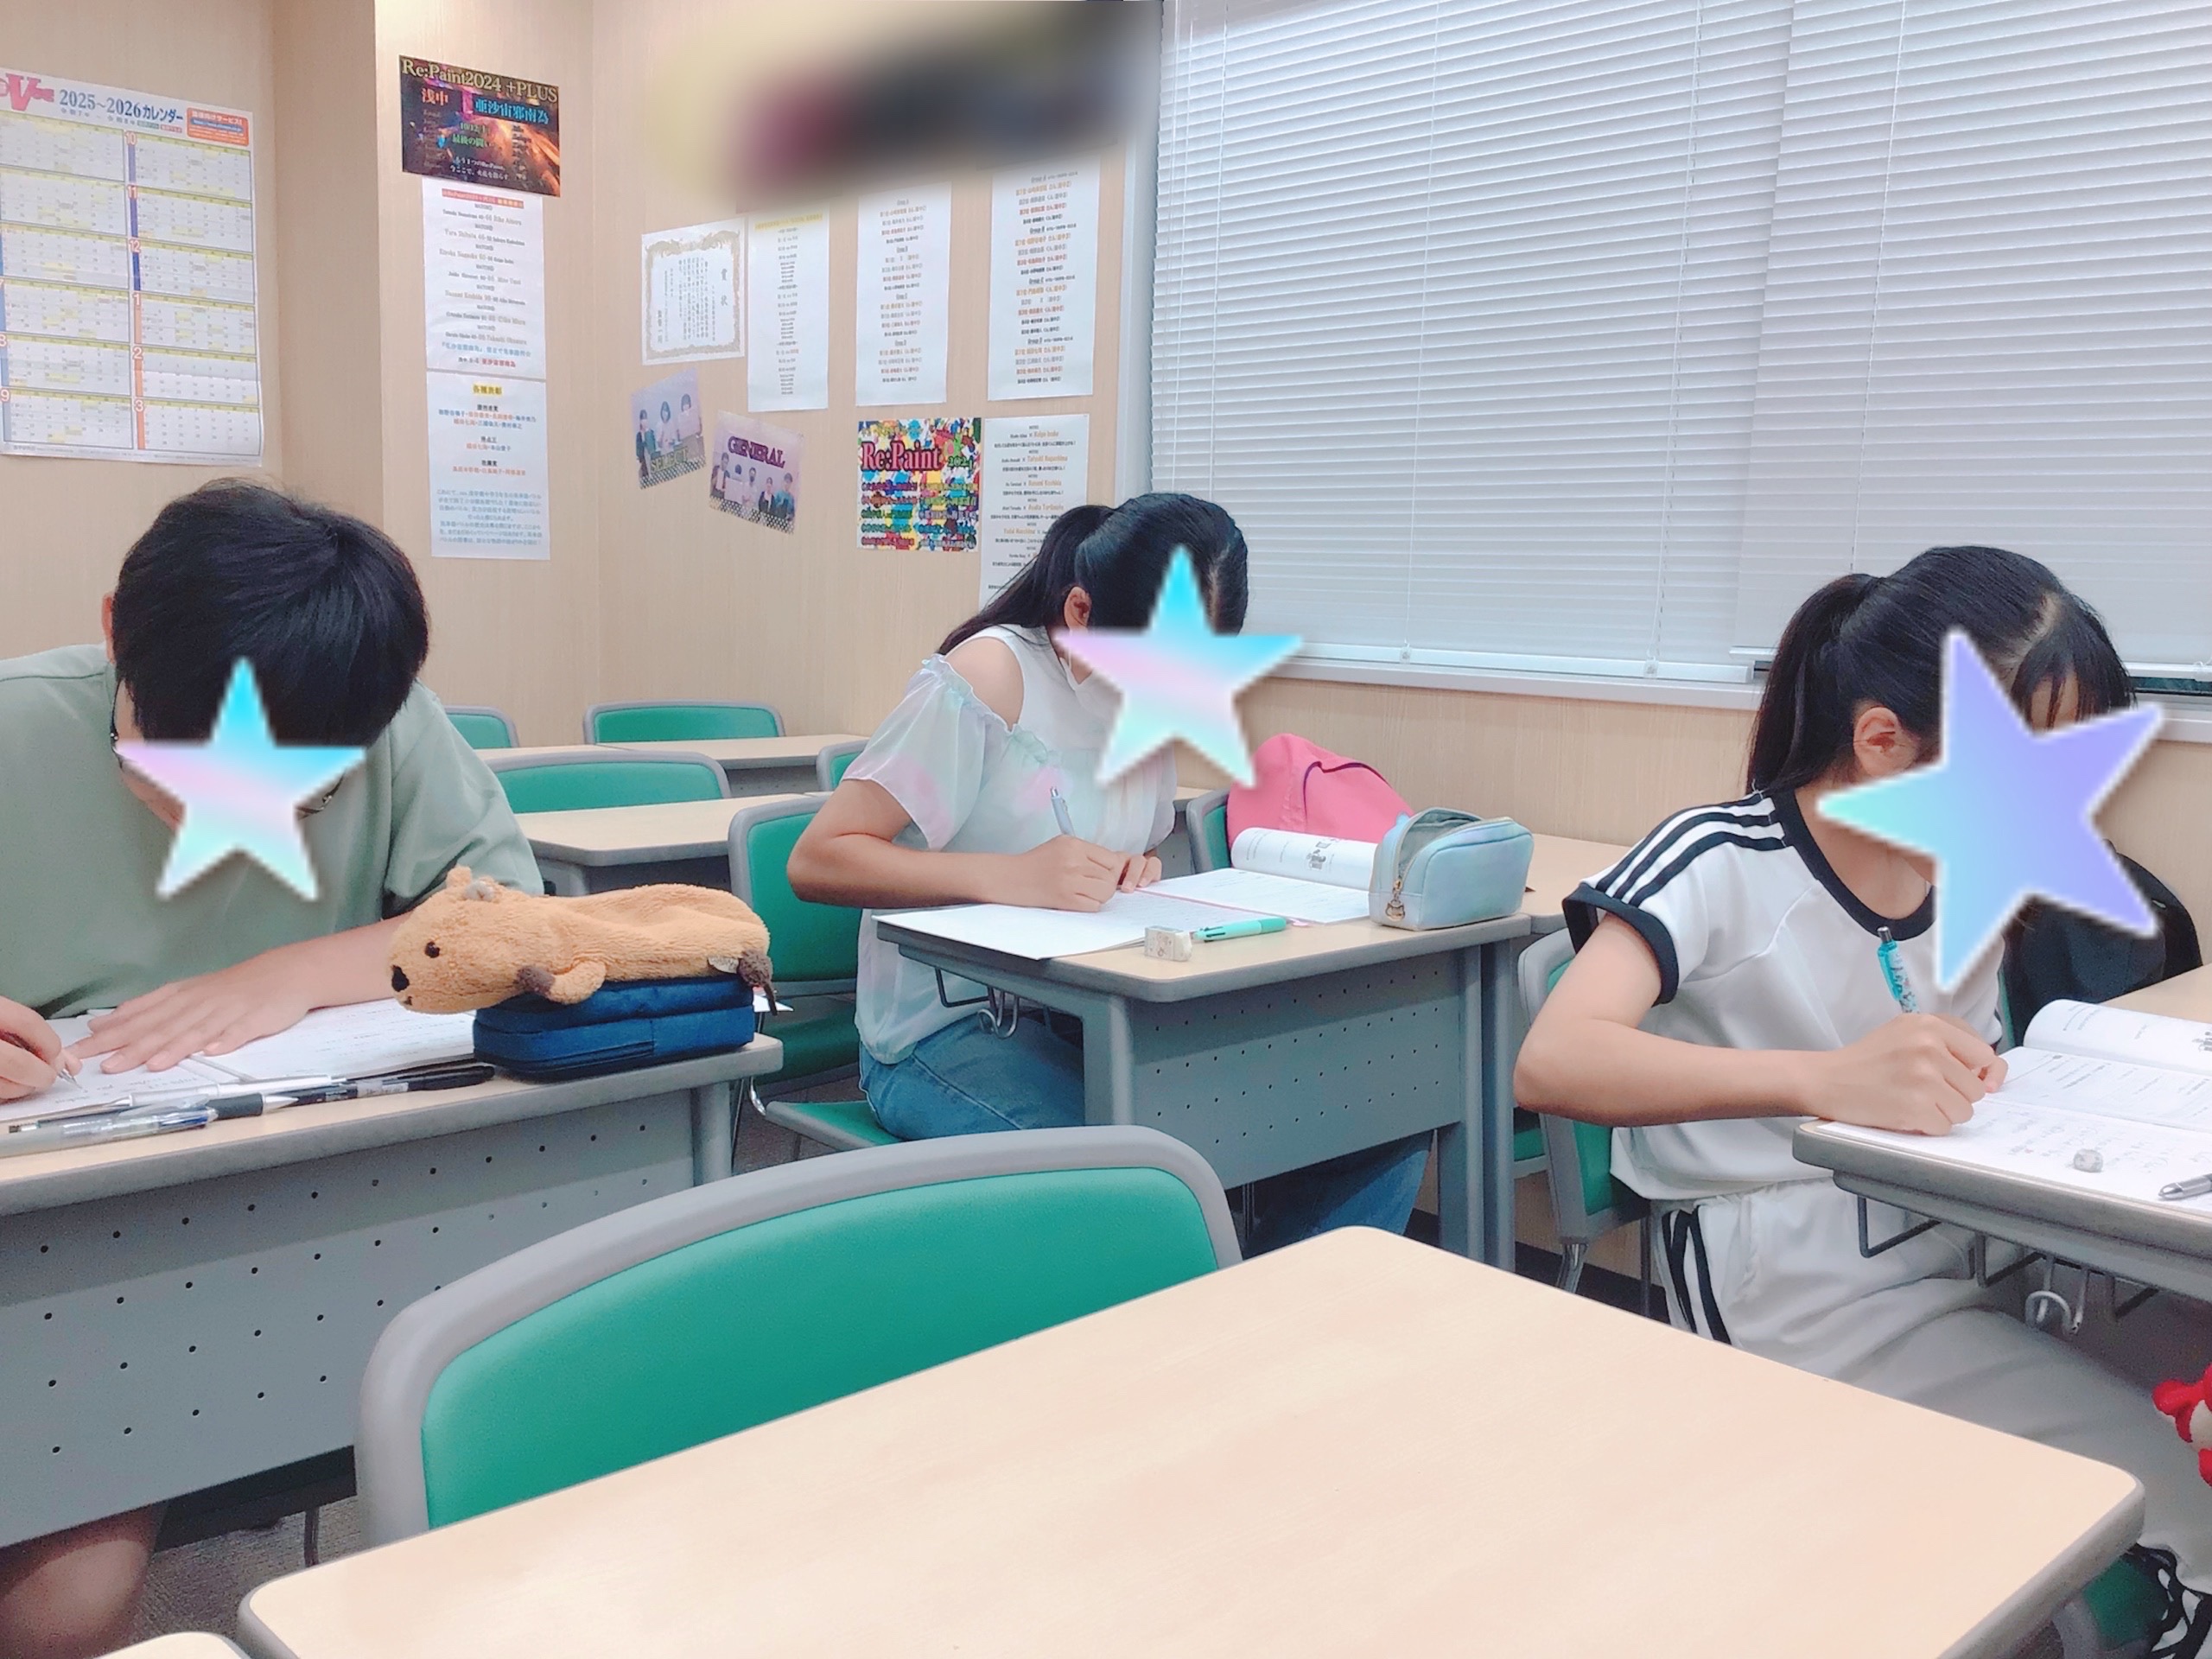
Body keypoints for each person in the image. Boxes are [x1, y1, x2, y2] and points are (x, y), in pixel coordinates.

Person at [1514, 544, 2212, 1646]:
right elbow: (1555, 1059)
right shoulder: (1719, 860)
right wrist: (1825, 1082)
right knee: (2189, 1512)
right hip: (1794, 1287)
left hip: (1965, 1246)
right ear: (1883, 741)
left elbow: (1961, 1064)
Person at [0, 480, 540, 1659]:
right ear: (112, 630)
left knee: (540, 1458)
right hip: (68, 1240)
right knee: (64, 1608)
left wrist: (298, 970)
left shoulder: (369, 709)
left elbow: (506, 916)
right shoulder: (17, 728)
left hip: (333, 1194)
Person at [788, 493, 1428, 1253]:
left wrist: (1128, 867)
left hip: (1093, 1012)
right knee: (1146, 1186)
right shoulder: (992, 677)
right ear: (1082, 612)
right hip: (945, 1032)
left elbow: (1121, 844)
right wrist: (1012, 876)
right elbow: (820, 856)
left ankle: (1268, 1307)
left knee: (1370, 1126)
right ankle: (1199, 1306)